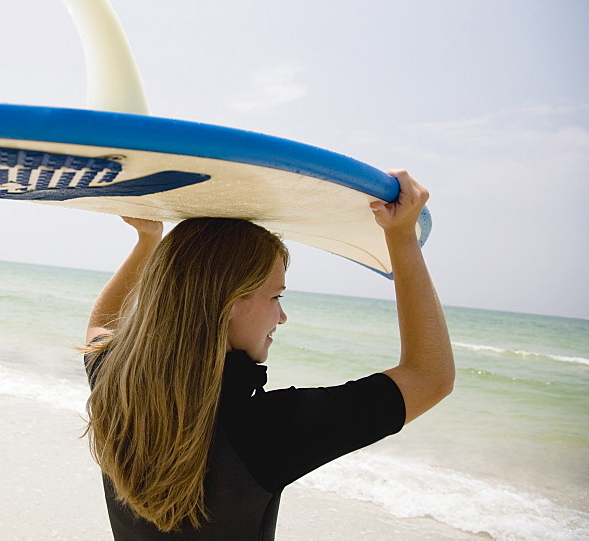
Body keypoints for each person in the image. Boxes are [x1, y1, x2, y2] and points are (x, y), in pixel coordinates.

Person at [83, 170, 454, 539]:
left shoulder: (117, 381)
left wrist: (147, 241)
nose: (282, 316)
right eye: (276, 296)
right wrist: (401, 237)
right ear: (228, 303)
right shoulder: (266, 430)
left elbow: (100, 327)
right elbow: (429, 377)